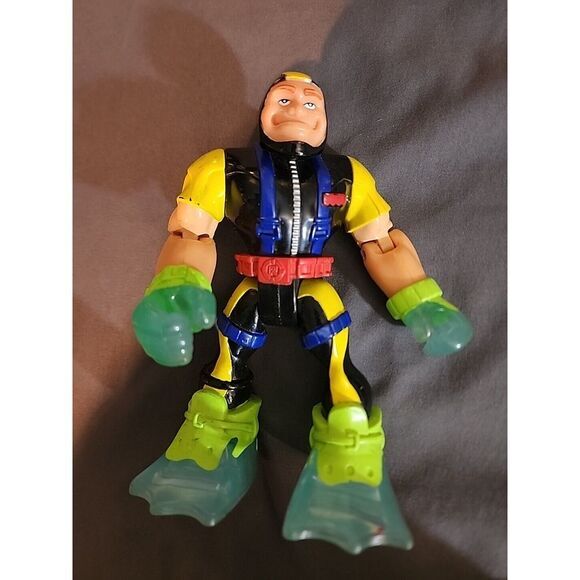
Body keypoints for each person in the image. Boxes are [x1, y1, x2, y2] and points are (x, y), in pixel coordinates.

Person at [130, 71, 473, 554]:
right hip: (253, 285)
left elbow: (381, 242)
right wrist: (176, 286)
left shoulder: (347, 176)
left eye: (311, 102)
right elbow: (191, 233)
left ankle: (350, 460)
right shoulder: (226, 168)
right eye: (284, 99)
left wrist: (421, 300)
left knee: (339, 368)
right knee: (224, 367)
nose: (297, 108)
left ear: (326, 118)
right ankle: (210, 447)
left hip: (314, 290)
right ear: (264, 111)